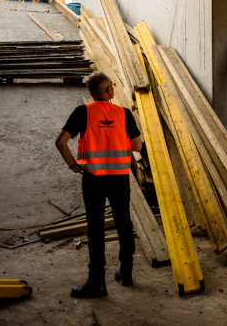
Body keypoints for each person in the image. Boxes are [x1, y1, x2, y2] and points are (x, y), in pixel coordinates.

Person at [55, 71, 141, 298]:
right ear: (110, 91)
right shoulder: (123, 114)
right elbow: (138, 146)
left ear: (91, 93)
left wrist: (73, 165)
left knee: (95, 227)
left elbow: (60, 141)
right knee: (123, 223)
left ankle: (97, 283)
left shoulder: (83, 112)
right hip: (119, 178)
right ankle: (126, 272)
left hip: (92, 178)